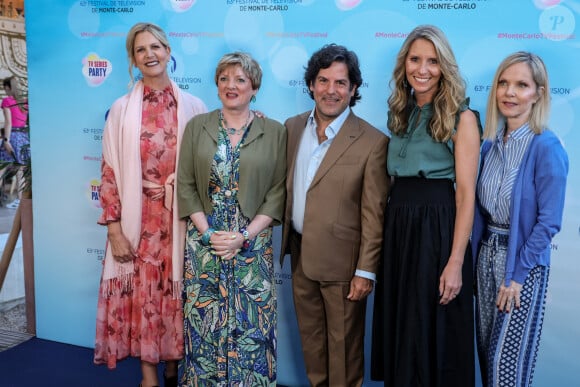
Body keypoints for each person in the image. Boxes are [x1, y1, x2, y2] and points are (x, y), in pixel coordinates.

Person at [93, 22, 207, 387]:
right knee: (145, 298)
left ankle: (173, 369)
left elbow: (217, 152)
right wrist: (114, 230)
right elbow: (109, 172)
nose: (150, 54)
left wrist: (254, 121)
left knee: (177, 294)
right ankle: (149, 378)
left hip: (182, 220)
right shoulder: (121, 109)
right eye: (141, 50)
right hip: (137, 222)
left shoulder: (195, 106)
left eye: (156, 46)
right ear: (133, 59)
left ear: (169, 51)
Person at [370, 25, 481, 386]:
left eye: (432, 61)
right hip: (400, 226)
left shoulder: (462, 118)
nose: (423, 69)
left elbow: (465, 195)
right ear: (404, 65)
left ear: (444, 66)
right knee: (404, 325)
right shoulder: (399, 113)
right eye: (415, 59)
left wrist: (455, 262)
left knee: (434, 327)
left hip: (437, 226)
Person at [280, 43, 389, 387]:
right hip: (300, 258)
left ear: (354, 89)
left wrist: (365, 271)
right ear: (311, 84)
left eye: (340, 83)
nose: (331, 90)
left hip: (344, 269)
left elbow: (374, 215)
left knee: (344, 353)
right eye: (323, 80)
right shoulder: (292, 128)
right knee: (312, 348)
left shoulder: (373, 142)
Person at [176, 51, 286, 386]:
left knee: (251, 325)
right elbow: (186, 185)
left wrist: (244, 236)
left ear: (254, 87)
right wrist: (209, 234)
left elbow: (277, 192)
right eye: (224, 79)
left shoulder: (275, 131)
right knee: (203, 323)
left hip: (251, 248)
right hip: (204, 245)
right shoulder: (198, 126)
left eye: (240, 79)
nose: (231, 85)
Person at [472, 52, 568, 387]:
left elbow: (549, 222)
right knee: (487, 361)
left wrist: (516, 276)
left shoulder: (547, 146)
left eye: (521, 85)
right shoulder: (489, 145)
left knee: (506, 368)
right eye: (503, 83)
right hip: (486, 257)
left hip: (522, 265)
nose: (509, 93)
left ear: (538, 93)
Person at [0, 76, 29, 209]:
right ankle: (20, 200)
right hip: (24, 136)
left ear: (8, 87)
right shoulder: (24, 101)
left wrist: (6, 140)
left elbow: (8, 122)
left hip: (13, 136)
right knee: (21, 169)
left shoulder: (7, 101)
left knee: (2, 167)